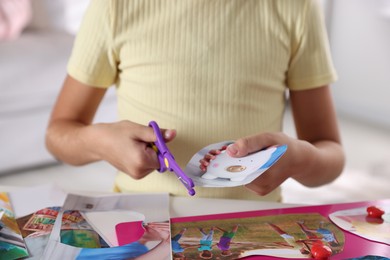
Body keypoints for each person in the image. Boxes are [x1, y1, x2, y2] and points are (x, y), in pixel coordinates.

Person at [45, 0, 345, 201]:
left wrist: (301, 159)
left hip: (255, 225)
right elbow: (58, 135)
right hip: (144, 221)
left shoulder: (296, 8)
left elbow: (330, 154)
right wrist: (99, 140)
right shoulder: (115, 7)